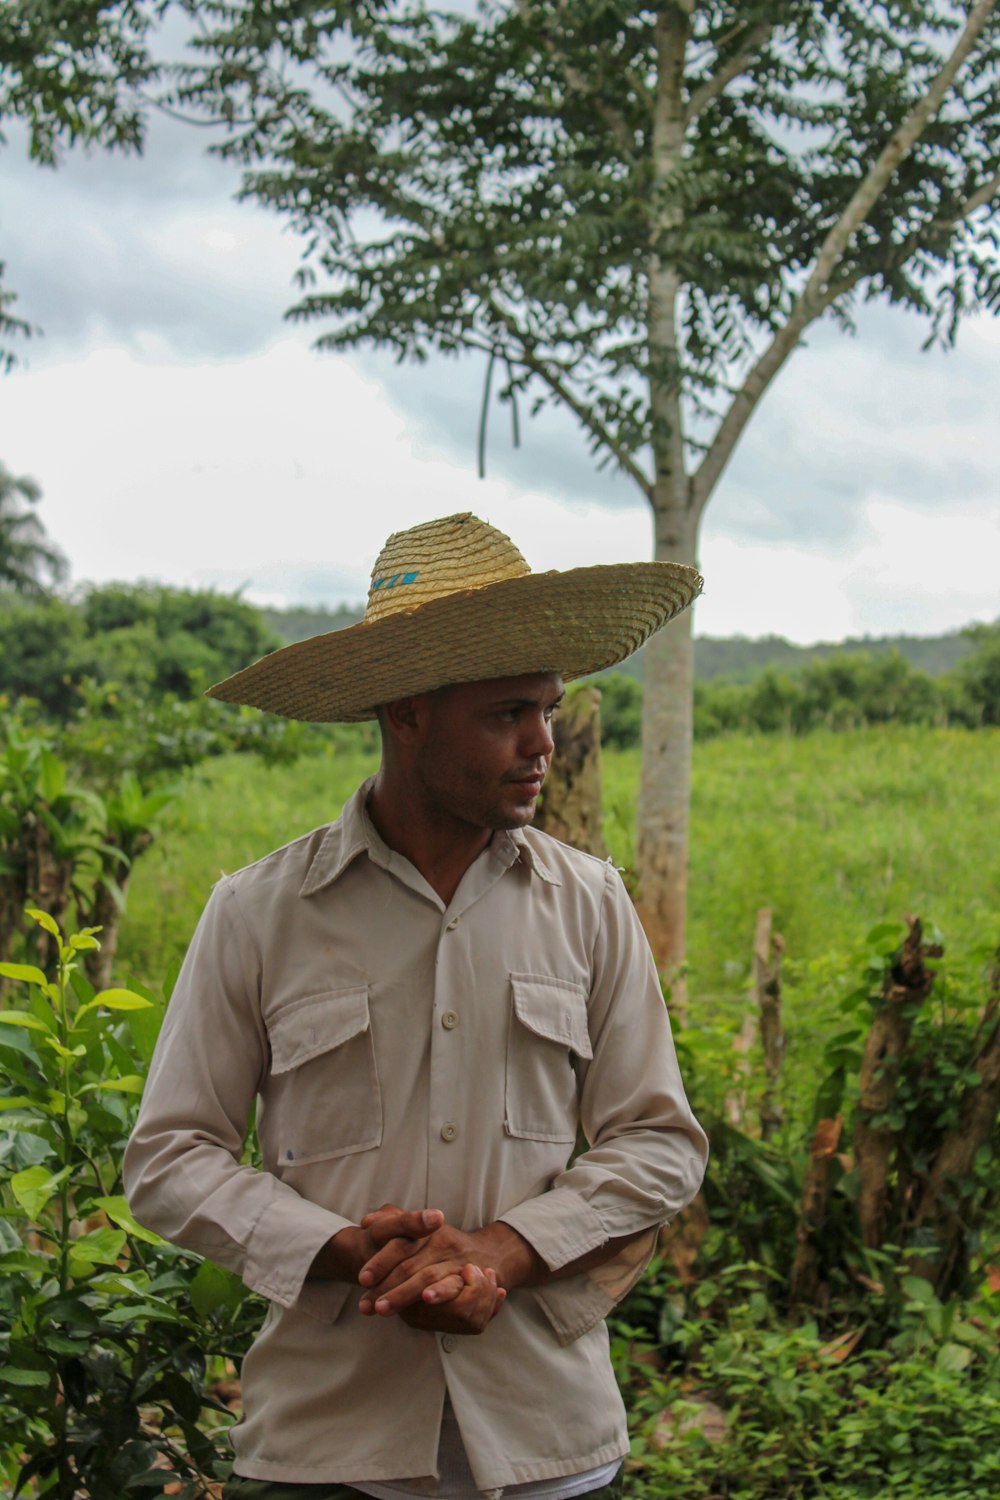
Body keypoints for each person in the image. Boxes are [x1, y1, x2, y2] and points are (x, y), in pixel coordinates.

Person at [123, 512, 709, 1500]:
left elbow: (659, 1144)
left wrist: (504, 1255)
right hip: (325, 1450)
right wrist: (336, 1249)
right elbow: (170, 1158)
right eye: (505, 714)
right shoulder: (261, 913)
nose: (543, 744)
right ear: (407, 713)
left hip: (546, 1443)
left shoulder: (590, 907)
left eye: (548, 709)